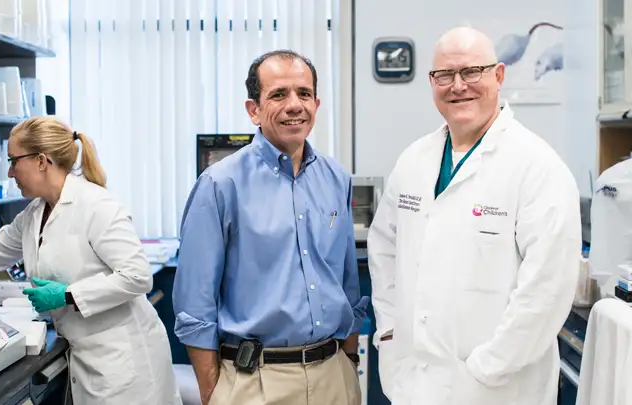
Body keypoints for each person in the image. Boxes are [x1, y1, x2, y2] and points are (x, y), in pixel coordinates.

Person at [367, 26, 582, 405]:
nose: (458, 85)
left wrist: (488, 367)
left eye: (471, 72)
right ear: (432, 82)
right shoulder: (414, 161)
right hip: (414, 383)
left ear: (498, 76)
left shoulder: (537, 166)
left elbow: (546, 289)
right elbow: (384, 248)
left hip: (497, 388)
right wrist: (388, 332)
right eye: (444, 75)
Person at [173, 49, 368, 405]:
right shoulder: (220, 184)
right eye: (279, 94)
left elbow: (347, 285)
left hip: (333, 377)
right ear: (254, 110)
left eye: (304, 94)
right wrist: (213, 389)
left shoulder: (336, 178)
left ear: (317, 104)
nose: (295, 105)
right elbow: (193, 306)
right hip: (255, 382)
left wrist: (349, 359)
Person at [0, 117, 180, 405]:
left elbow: (138, 276)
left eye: (13, 161)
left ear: (41, 161)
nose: (9, 172)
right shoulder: (34, 214)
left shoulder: (96, 206)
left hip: (126, 360)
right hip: (88, 358)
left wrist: (66, 295)